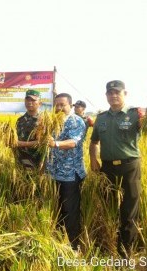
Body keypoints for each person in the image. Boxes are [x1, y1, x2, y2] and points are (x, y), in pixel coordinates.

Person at [89, 80, 147, 257]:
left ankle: (126, 251)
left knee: (129, 209)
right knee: (109, 206)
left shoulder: (136, 114)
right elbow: (94, 141)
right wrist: (92, 159)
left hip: (129, 167)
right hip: (107, 168)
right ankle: (108, 243)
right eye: (110, 93)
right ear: (106, 96)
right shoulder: (101, 117)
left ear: (125, 94)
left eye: (117, 92)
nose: (113, 96)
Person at [48, 93, 86, 250]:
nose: (59, 108)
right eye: (56, 105)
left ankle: (73, 246)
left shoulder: (76, 121)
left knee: (70, 212)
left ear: (70, 106)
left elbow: (73, 143)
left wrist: (55, 144)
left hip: (70, 175)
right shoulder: (53, 121)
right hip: (54, 172)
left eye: (62, 105)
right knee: (57, 210)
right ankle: (57, 244)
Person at [15, 89, 43, 170]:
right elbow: (16, 139)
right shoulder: (20, 120)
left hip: (38, 162)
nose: (29, 102)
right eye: (27, 100)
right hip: (20, 162)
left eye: (33, 100)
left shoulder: (43, 120)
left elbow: (43, 143)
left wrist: (20, 144)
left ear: (40, 103)